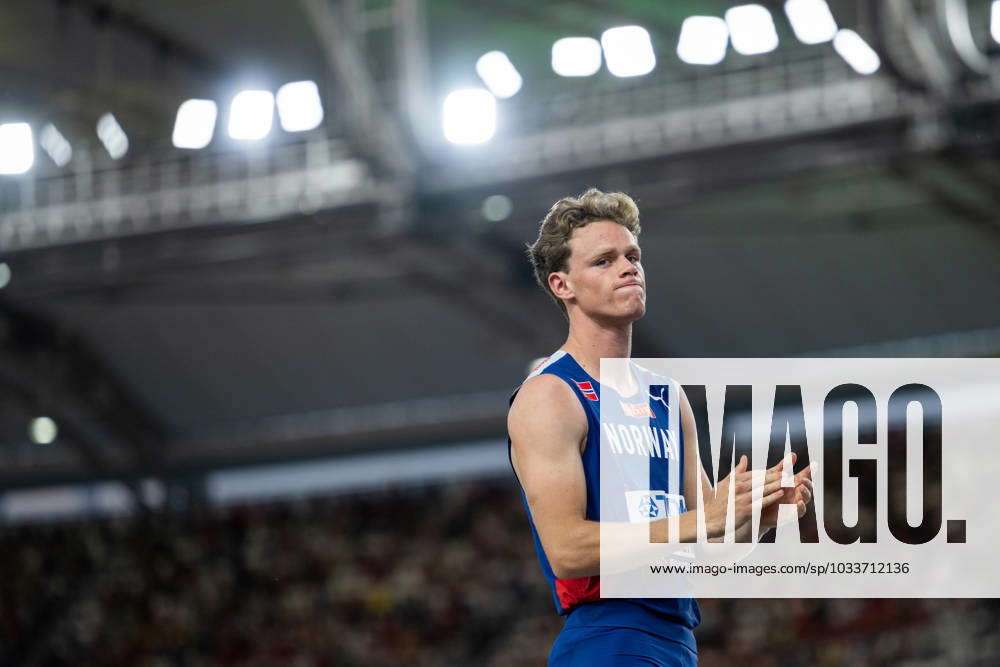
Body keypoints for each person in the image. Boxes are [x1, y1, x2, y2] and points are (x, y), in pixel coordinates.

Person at [506, 188, 814, 666]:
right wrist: (705, 519)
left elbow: (707, 545)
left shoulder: (667, 398)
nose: (628, 268)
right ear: (562, 285)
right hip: (607, 639)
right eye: (604, 261)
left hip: (675, 642)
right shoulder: (550, 394)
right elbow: (566, 549)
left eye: (633, 256)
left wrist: (755, 516)